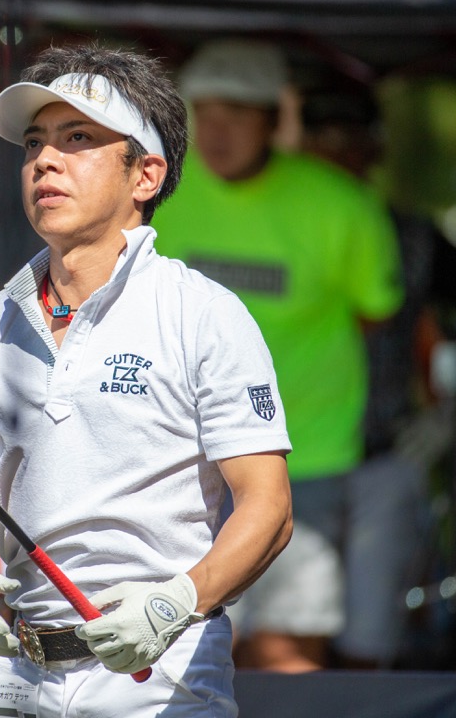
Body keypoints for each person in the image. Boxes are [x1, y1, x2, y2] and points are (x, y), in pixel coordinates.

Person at [0, 43, 293, 718]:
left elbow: (268, 506)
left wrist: (177, 601)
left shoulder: (203, 313)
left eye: (78, 139)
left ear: (145, 175)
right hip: (19, 677)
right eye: (35, 143)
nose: (45, 161)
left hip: (160, 681)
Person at [151, 38, 405, 671]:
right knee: (183, 644)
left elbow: (377, 314)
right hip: (180, 457)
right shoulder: (158, 194)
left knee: (286, 646)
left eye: (237, 113)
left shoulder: (342, 205)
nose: (217, 131)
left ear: (274, 119)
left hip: (304, 456)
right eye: (205, 113)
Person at [300, 81, 456, 668]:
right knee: (287, 635)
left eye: (351, 139)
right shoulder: (270, 221)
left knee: (370, 636)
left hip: (384, 448)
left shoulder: (409, 233)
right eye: (323, 138)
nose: (337, 153)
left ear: (375, 148)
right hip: (285, 454)